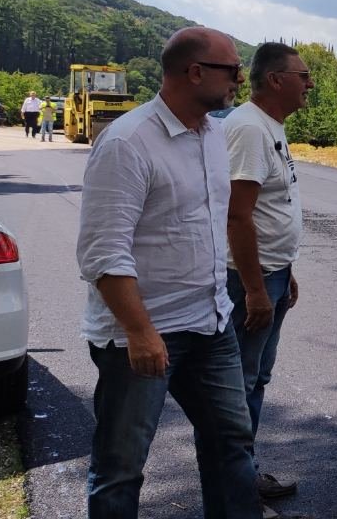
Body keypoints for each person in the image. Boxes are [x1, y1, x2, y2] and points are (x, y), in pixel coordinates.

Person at [76, 27, 259, 518]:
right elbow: (101, 252)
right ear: (195, 72)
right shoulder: (128, 142)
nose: (240, 80)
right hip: (144, 333)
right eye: (233, 70)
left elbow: (218, 224)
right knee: (121, 464)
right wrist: (139, 330)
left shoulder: (216, 135)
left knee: (231, 444)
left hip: (211, 323)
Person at [222, 42, 311, 505]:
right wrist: (256, 289)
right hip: (248, 281)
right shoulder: (249, 130)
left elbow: (272, 209)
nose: (309, 84)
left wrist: (285, 269)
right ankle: (237, 482)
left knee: (255, 378)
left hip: (271, 274)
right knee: (240, 381)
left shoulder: (268, 126)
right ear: (276, 79)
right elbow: (238, 216)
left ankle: (243, 472)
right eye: (303, 75)